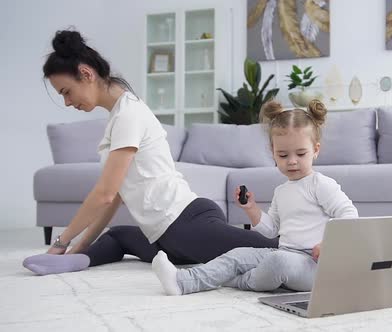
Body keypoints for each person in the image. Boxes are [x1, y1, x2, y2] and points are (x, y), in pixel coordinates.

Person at [22, 29, 277, 276]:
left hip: (186, 222)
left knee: (270, 248)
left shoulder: (128, 114)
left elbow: (105, 194)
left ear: (86, 73)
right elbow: (116, 197)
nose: (67, 102)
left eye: (66, 92)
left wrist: (60, 242)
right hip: (165, 235)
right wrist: (78, 247)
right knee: (117, 236)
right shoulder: (117, 117)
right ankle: (79, 260)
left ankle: (312, 251)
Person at [152, 100, 360, 295]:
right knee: (238, 254)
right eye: (283, 155)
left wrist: (329, 243)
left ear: (315, 151)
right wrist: (251, 208)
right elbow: (272, 230)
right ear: (273, 153)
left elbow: (349, 213)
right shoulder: (281, 191)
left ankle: (239, 281)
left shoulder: (320, 184)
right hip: (285, 252)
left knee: (277, 262)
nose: (292, 162)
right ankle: (182, 282)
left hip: (316, 266)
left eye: (301, 154)